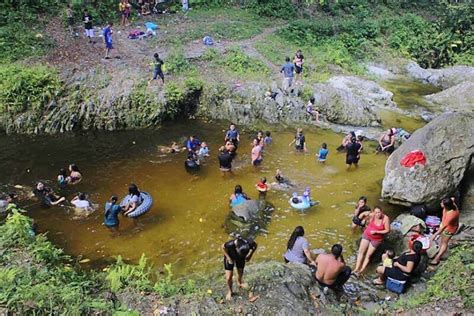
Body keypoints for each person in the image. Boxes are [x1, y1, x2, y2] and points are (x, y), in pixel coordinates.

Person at [353, 206, 390, 275]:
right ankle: (356, 269)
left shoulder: (385, 218)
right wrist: (362, 220)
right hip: (367, 234)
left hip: (376, 239)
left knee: (368, 255)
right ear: (374, 212)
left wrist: (377, 232)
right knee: (361, 252)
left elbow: (387, 230)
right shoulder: (372, 214)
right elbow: (363, 214)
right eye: (376, 213)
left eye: (379, 212)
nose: (377, 214)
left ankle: (361, 270)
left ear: (382, 212)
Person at [222, 236, 257, 300]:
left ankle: (239, 283)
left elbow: (255, 246)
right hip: (230, 256)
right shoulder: (231, 244)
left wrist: (250, 255)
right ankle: (230, 291)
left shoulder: (249, 243)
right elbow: (223, 247)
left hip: (240, 259)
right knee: (228, 277)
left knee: (240, 272)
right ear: (237, 248)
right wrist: (229, 258)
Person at [430, 197, 460, 265]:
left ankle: (437, 258)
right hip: (447, 226)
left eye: (442, 203)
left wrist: (434, 235)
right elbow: (452, 199)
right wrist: (451, 199)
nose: (440, 203)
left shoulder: (451, 215)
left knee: (444, 243)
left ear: (446, 206)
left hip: (449, 229)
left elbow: (442, 228)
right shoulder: (452, 204)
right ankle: (440, 250)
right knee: (442, 241)